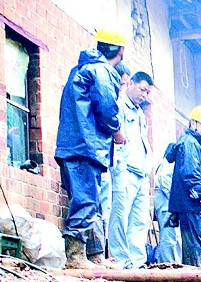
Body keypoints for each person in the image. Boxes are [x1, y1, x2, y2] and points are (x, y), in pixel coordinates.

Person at [55, 27, 127, 268]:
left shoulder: (82, 70)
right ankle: (75, 257)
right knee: (86, 200)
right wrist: (116, 129)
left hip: (77, 146)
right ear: (120, 51)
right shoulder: (102, 71)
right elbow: (107, 108)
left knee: (92, 201)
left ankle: (95, 255)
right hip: (85, 147)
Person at [166, 105, 201, 269]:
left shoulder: (195, 144)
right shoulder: (190, 143)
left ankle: (196, 281)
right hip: (192, 205)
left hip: (193, 205)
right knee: (195, 247)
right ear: (193, 123)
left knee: (197, 245)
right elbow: (189, 172)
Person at [108, 71, 154, 268]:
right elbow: (116, 141)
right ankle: (121, 261)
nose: (144, 95)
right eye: (142, 89)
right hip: (125, 171)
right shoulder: (120, 106)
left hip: (141, 173)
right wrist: (119, 168)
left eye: (147, 92)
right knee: (120, 217)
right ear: (131, 84)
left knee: (139, 220)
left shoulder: (141, 114)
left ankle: (137, 262)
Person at [99, 61, 132, 243]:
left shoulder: (119, 101)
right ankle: (101, 252)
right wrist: (117, 131)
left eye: (125, 84)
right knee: (102, 205)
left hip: (116, 157)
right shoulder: (104, 94)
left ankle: (113, 255)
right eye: (120, 84)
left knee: (116, 208)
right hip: (101, 155)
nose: (122, 89)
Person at [152, 144, 181, 263]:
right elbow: (166, 184)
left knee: (175, 237)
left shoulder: (169, 166)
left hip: (170, 205)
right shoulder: (168, 167)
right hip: (167, 205)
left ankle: (174, 263)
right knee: (169, 237)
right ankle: (167, 264)